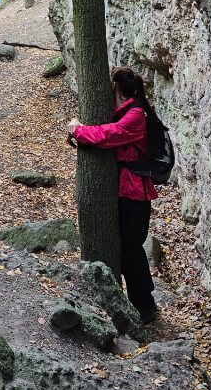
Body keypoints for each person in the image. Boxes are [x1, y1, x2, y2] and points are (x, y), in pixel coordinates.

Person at [66, 66, 159, 323]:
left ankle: (144, 306)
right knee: (130, 248)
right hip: (128, 190)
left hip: (135, 193)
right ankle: (144, 302)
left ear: (116, 88)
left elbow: (109, 135)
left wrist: (77, 130)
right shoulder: (129, 112)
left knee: (130, 249)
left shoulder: (136, 115)